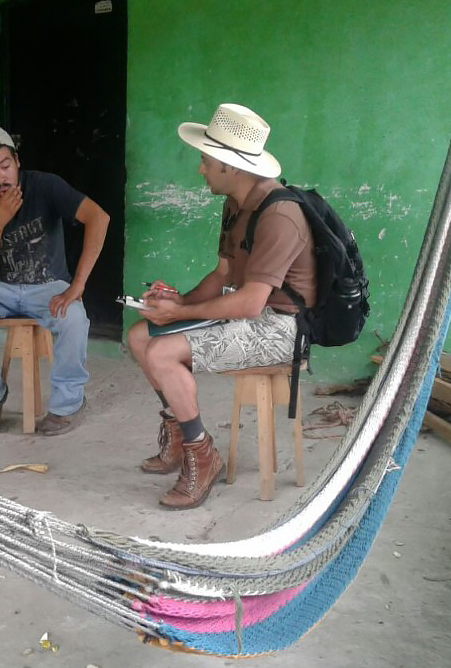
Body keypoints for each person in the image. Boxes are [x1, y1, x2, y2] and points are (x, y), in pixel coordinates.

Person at [128, 103, 316, 510]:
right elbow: (222, 275)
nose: (201, 170)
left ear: (231, 167)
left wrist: (179, 316)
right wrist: (177, 301)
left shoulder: (280, 215)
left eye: (205, 161)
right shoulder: (235, 203)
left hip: (282, 327)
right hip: (252, 313)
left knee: (162, 350)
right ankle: (180, 433)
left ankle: (202, 454)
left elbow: (250, 304)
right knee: (141, 335)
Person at [0, 126, 110, 439]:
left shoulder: (44, 186)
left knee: (74, 318)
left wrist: (77, 286)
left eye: (5, 165)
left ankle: (68, 405)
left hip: (48, 286)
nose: (0, 178)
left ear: (17, 161)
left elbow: (99, 218)